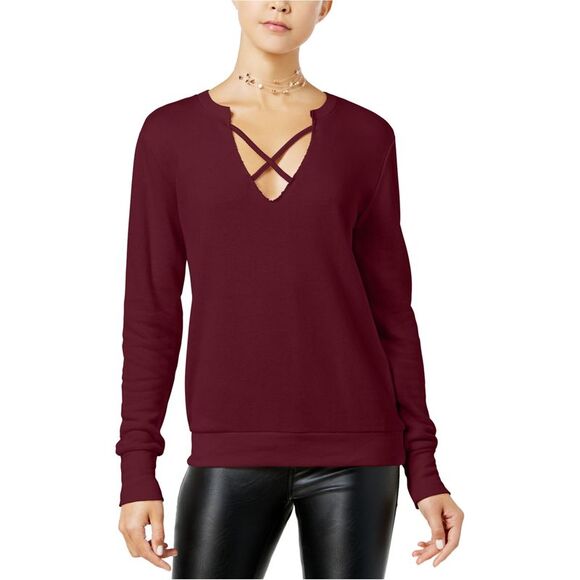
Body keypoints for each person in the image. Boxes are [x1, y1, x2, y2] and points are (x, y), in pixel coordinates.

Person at [115, 1, 464, 578]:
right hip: (229, 446)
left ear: (324, 6)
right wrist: (137, 470)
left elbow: (392, 314)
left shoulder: (367, 136)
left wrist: (423, 469)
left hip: (359, 451)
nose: (280, 3)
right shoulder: (169, 134)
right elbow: (151, 311)